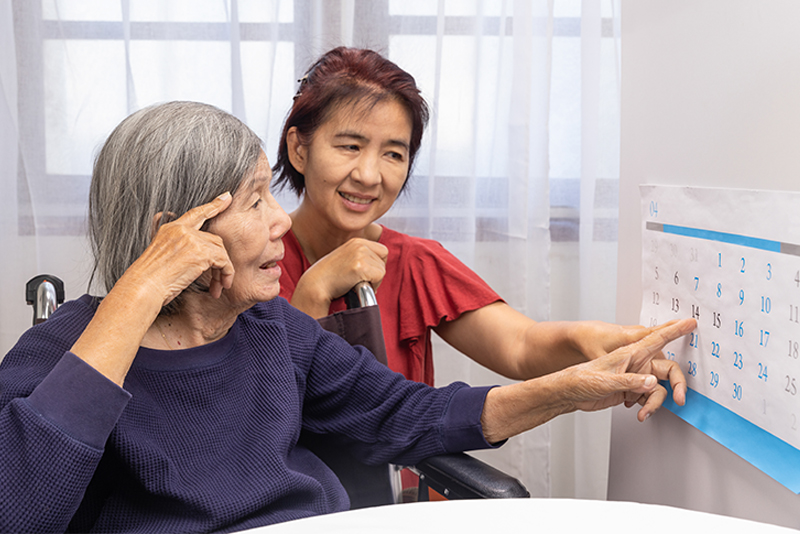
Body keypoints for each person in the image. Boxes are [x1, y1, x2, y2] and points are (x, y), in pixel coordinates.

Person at [0, 100, 694, 534]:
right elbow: (18, 513)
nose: (280, 223)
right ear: (176, 237)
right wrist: (134, 298)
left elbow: (416, 415)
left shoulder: (274, 332)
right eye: (252, 202)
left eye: (271, 195)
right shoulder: (55, 356)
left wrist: (575, 388)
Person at [274, 46, 686, 404]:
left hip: (400, 487)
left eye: (394, 154)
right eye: (350, 146)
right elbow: (263, 410)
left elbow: (520, 346)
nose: (369, 175)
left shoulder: (416, 262)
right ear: (299, 148)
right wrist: (314, 290)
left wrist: (593, 342)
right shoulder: (254, 263)